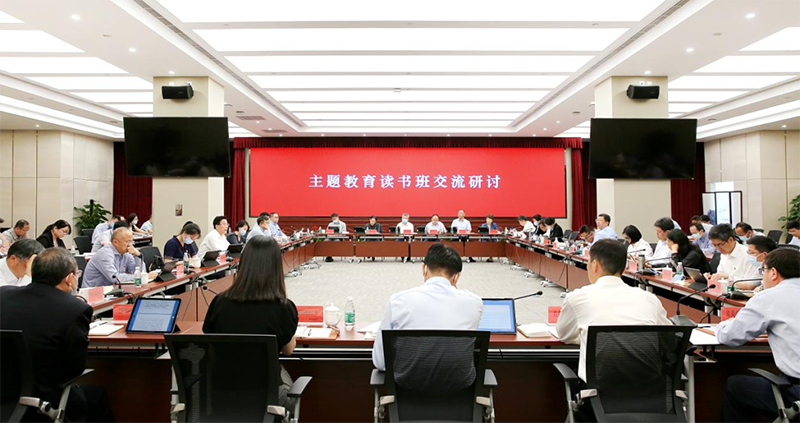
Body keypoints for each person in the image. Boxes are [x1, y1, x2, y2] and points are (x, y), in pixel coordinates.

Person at [0, 248, 117, 423]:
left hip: (4, 395)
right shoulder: (75, 308)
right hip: (43, 400)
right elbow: (75, 368)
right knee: (97, 395)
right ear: (69, 278)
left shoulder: (3, 295)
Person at [203, 236, 299, 410]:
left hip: (221, 393)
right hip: (266, 397)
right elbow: (288, 350)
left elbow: (209, 339)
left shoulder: (219, 302)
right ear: (276, 267)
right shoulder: (283, 306)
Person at [556, 239, 670, 381]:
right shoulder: (649, 298)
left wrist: (590, 338)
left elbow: (564, 335)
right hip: (649, 386)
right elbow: (667, 337)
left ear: (594, 265)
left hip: (600, 389)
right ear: (624, 268)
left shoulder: (577, 298)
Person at [716, 248, 800, 423]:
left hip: (797, 393)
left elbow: (730, 336)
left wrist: (722, 325)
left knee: (735, 386)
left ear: (774, 273)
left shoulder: (769, 297)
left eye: (763, 270)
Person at [372, 243, 483, 371]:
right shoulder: (474, 302)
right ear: (457, 275)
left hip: (407, 383)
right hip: (460, 382)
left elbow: (380, 361)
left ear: (424, 268)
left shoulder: (398, 301)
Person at [82, 228, 159, 288]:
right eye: (128, 242)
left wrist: (137, 255)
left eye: (132, 242)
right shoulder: (105, 254)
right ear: (115, 242)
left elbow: (138, 272)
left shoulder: (126, 254)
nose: (130, 245)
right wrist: (142, 277)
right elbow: (115, 278)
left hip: (112, 291)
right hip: (93, 294)